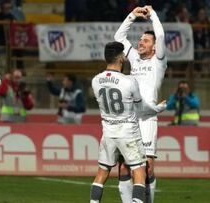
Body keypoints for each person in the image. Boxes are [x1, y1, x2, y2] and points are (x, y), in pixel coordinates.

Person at [114, 5, 167, 203]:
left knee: (147, 166)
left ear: (154, 47)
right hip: (129, 118)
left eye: (145, 40)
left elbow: (160, 36)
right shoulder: (135, 59)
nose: (140, 42)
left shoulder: (158, 62)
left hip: (147, 119)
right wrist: (132, 16)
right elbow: (119, 37)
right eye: (140, 39)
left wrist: (152, 14)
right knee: (124, 166)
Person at [90, 41, 147, 203]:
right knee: (139, 170)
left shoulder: (95, 80)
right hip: (128, 132)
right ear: (121, 58)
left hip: (108, 132)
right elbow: (139, 106)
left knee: (102, 172)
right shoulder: (129, 81)